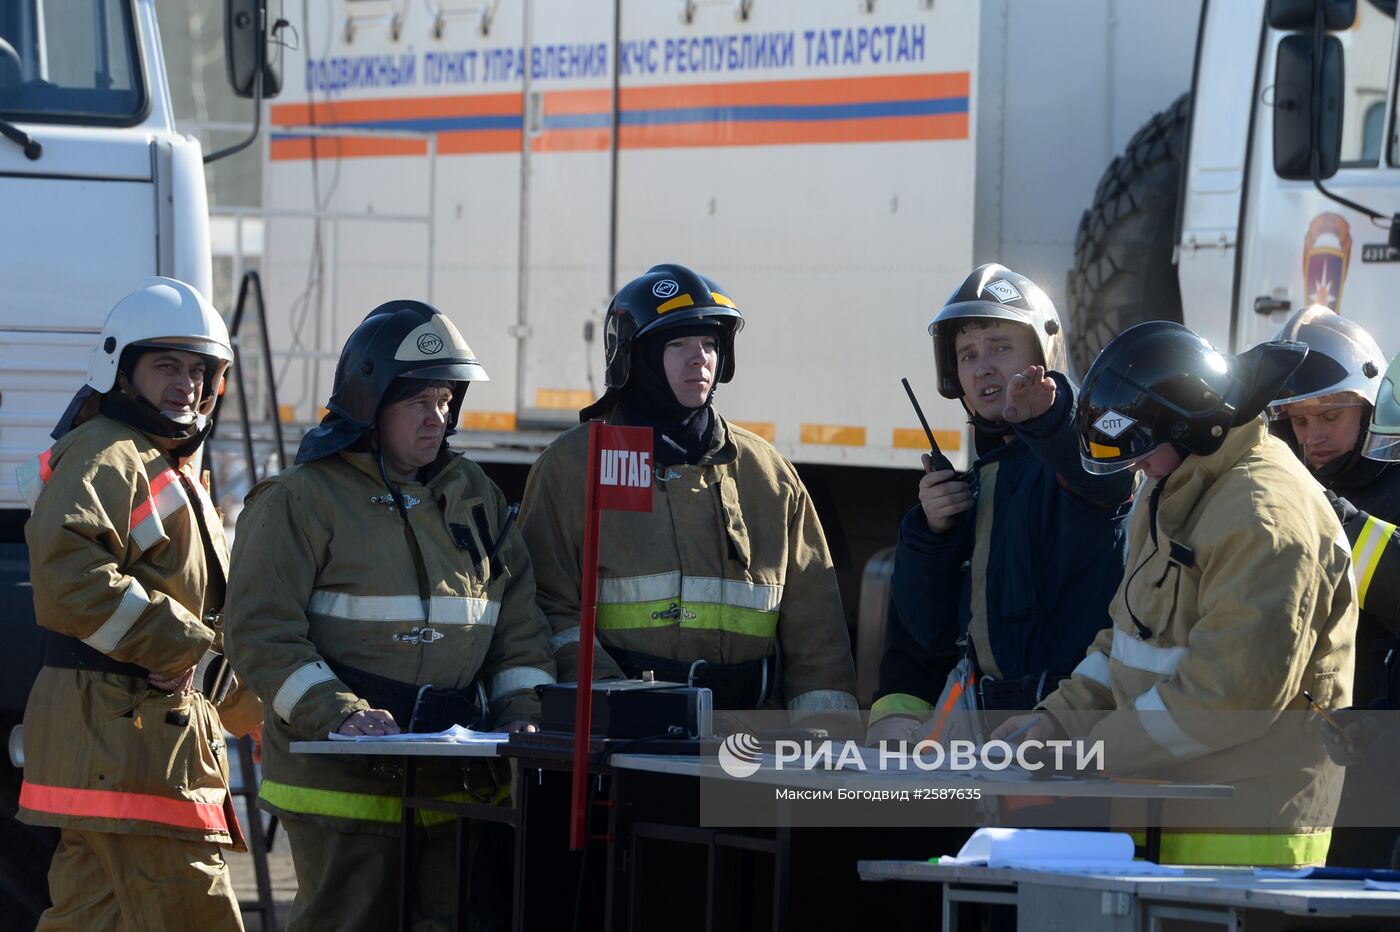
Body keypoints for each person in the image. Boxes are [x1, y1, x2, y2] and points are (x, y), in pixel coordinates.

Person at [223, 301, 555, 931]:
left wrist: (521, 720)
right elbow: (260, 632)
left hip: (455, 785)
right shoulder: (300, 499)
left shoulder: (475, 497)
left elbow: (519, 631)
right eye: (419, 403)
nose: (440, 418)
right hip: (342, 787)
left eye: (446, 400)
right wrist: (340, 714)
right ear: (370, 404)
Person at [994, 321, 1358, 868]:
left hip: (1250, 853)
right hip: (1162, 828)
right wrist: (1055, 721)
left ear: (1191, 428)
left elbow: (1226, 700)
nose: (1136, 467)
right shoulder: (1171, 488)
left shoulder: (1266, 519)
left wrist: (1088, 753)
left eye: (1141, 452)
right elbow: (1128, 640)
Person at [15, 278, 261, 930]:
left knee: (90, 919)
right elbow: (68, 573)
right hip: (131, 754)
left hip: (126, 752)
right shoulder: (107, 454)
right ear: (122, 370)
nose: (186, 384)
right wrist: (186, 653)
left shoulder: (163, 463)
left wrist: (248, 710)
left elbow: (202, 616)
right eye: (166, 366)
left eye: (199, 371)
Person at [519, 263, 858, 716]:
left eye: (710, 344)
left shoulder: (768, 475)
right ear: (634, 358)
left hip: (748, 738)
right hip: (625, 734)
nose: (699, 358)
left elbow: (816, 627)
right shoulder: (575, 466)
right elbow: (547, 605)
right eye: (677, 344)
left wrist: (822, 741)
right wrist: (609, 701)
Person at [868, 264, 1133, 742]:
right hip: (994, 740)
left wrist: (1051, 419)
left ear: (1045, 355)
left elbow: (1097, 480)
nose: (983, 367)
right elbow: (925, 638)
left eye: (1001, 347)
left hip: (1072, 736)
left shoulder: (1089, 455)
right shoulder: (976, 487)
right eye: (967, 354)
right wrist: (932, 537)